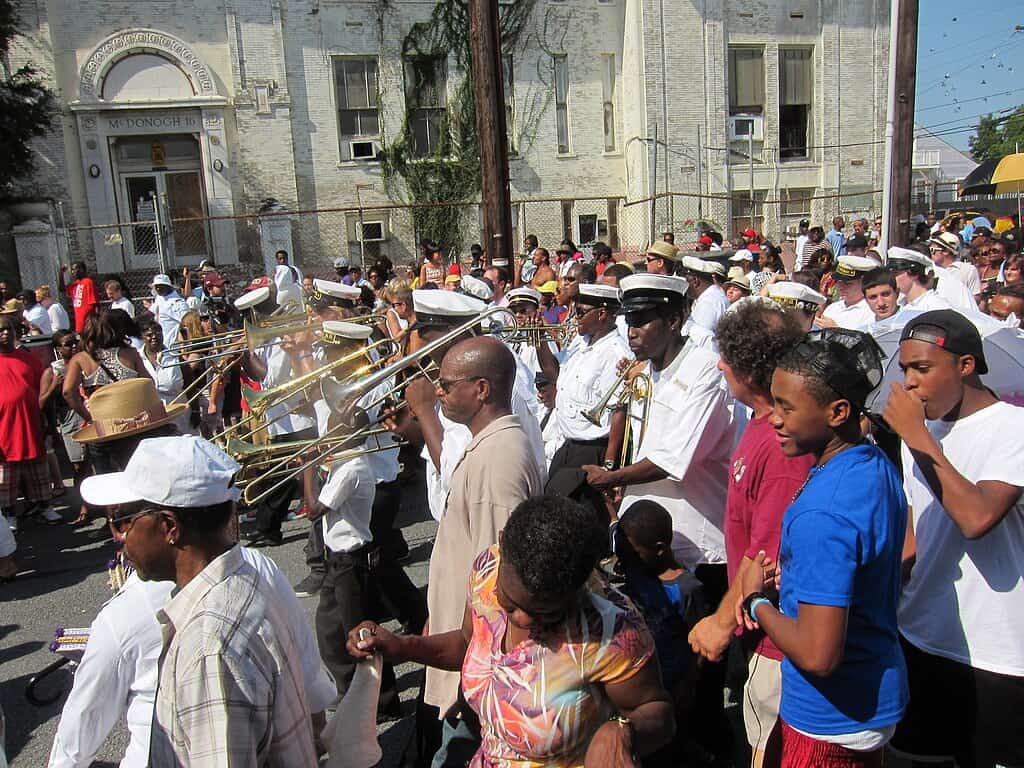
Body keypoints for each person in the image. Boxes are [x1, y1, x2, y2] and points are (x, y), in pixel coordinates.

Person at [348, 495, 675, 767]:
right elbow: (468, 642)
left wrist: (624, 731)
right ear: (503, 545)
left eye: (545, 613)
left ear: (576, 590)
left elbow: (658, 713)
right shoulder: (487, 570)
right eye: (510, 601)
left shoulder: (612, 630)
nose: (521, 619)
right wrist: (403, 647)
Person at [79, 436, 319, 766]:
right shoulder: (250, 578)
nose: (117, 536)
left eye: (123, 520)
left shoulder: (209, 646)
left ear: (169, 527)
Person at [737, 329, 908, 768]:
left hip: (829, 720)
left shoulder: (821, 515)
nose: (773, 418)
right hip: (872, 694)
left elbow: (818, 654)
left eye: (787, 407)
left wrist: (756, 601)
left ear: (838, 411)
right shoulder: (873, 463)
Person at [882, 310, 1024, 768]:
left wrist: (919, 438)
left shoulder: (1013, 427)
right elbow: (916, 527)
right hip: (921, 633)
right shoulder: (920, 432)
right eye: (905, 370)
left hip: (996, 652)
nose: (911, 382)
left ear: (965, 366)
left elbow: (978, 517)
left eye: (922, 368)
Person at [687, 300, 812, 768]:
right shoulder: (762, 429)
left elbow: (768, 555)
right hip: (758, 635)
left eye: (729, 357)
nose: (720, 364)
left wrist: (721, 623)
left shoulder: (782, 449)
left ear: (750, 368)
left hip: (777, 648)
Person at [420, 336, 545, 762]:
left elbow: (496, 586)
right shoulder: (491, 446)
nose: (438, 391)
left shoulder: (499, 459)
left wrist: (467, 663)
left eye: (446, 384)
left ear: (481, 390)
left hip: (476, 665)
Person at [584, 273, 735, 575]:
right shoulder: (646, 370)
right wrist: (621, 479)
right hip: (642, 537)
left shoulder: (705, 369)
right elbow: (641, 442)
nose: (631, 333)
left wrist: (612, 477)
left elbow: (674, 457)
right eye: (629, 322)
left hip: (694, 543)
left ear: (674, 321)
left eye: (641, 322)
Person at [616, 500, 706, 757]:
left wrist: (688, 685)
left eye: (632, 552)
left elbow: (700, 642)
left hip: (674, 687)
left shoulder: (687, 589)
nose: (626, 559)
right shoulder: (639, 575)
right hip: (644, 685)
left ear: (658, 550)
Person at [239, 282, 317, 547]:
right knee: (283, 472)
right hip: (280, 415)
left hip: (297, 414)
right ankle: (269, 525)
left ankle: (269, 526)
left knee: (286, 473)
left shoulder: (285, 333)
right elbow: (259, 378)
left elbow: (271, 379)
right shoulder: (265, 335)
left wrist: (247, 353)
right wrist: (242, 354)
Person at [544, 283, 629, 521]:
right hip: (568, 445)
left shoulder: (616, 353)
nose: (574, 317)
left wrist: (610, 467)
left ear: (601, 314)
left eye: (580, 312)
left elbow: (618, 412)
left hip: (593, 450)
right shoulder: (580, 344)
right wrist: (539, 336)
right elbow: (553, 372)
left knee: (583, 522)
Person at [0, 313, 62, 544]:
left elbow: (44, 391)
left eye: (8, 329)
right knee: (6, 478)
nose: (5, 333)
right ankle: (9, 513)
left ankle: (45, 505)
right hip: (4, 430)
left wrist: (50, 425)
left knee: (38, 469)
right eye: (1, 330)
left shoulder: (29, 359)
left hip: (31, 423)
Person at [680, 255, 729, 349]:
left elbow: (697, 341)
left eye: (686, 281)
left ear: (695, 281)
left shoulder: (709, 302)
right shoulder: (709, 297)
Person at [886, 247, 952, 313]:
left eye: (896, 273)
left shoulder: (936, 307)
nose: (891, 277)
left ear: (914, 273)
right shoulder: (899, 304)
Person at [818, 256, 877, 330]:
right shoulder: (832, 308)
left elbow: (865, 340)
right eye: (839, 282)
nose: (841, 286)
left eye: (848, 283)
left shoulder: (871, 312)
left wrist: (836, 329)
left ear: (864, 283)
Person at [929, 232, 980, 297]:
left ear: (946, 251)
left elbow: (976, 297)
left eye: (932, 250)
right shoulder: (929, 270)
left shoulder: (968, 270)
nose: (930, 253)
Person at [150, 273, 190, 344]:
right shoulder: (159, 298)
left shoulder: (178, 303)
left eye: (161, 285)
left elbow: (188, 324)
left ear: (168, 286)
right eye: (156, 286)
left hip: (173, 345)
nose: (158, 288)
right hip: (162, 343)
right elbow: (150, 313)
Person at [61, 261, 99, 332]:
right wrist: (61, 273)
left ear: (81, 269)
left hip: (89, 324)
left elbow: (95, 303)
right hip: (79, 324)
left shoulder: (88, 282)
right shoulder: (74, 285)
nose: (72, 272)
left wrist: (96, 323)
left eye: (74, 269)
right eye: (71, 270)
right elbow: (62, 289)